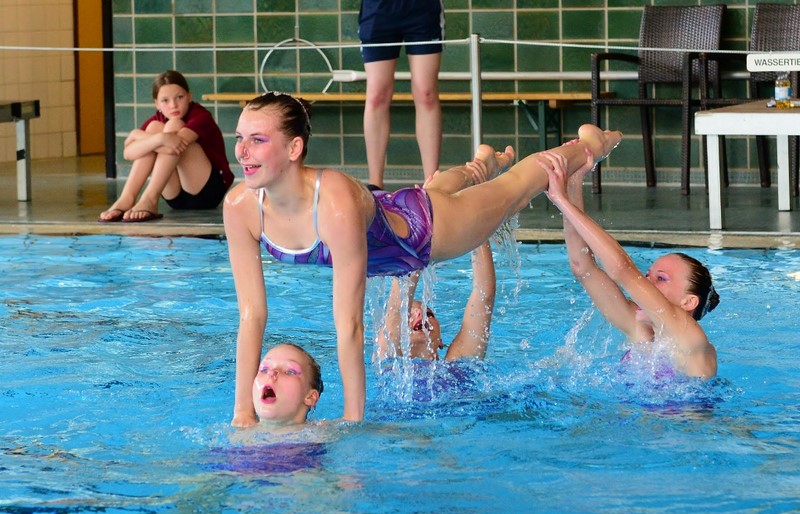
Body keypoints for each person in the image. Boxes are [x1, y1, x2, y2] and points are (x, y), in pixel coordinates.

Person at [223, 91, 622, 426]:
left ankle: (591, 144)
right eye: (240, 137)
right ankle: (480, 165)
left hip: (421, 234)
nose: (242, 150)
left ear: (295, 148)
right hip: (384, 214)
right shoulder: (240, 206)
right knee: (438, 188)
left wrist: (352, 418)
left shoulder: (333, 203)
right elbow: (251, 315)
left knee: (512, 190)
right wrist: (243, 411)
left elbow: (348, 324)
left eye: (257, 139)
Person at [539, 145, 719, 379]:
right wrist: (573, 184)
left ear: (688, 302)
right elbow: (583, 267)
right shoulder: (640, 329)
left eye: (661, 279)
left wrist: (560, 200)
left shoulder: (691, 340)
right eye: (648, 276)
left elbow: (622, 270)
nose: (645, 283)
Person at [377, 161, 496, 362]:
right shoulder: (387, 362)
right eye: (409, 314)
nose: (419, 316)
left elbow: (483, 293)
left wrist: (474, 217)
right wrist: (420, 214)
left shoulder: (457, 363)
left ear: (440, 340)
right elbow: (400, 296)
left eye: (428, 313)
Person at [98, 70, 234, 223]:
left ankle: (150, 198)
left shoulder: (201, 116)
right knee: (156, 127)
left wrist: (138, 135)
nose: (173, 105)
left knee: (172, 127)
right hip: (175, 199)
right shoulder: (157, 120)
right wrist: (160, 138)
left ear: (189, 96)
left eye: (179, 97)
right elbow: (127, 153)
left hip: (207, 193)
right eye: (165, 101)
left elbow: (173, 146)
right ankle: (127, 198)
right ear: (156, 103)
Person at [359, 0, 444, 189]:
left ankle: (432, 185)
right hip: (378, 9)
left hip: (421, 10)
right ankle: (375, 186)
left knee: (426, 93)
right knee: (376, 95)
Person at [252, 343, 324, 428]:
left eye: (289, 372)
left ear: (310, 397)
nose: (271, 373)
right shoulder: (239, 434)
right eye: (264, 369)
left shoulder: (323, 434)